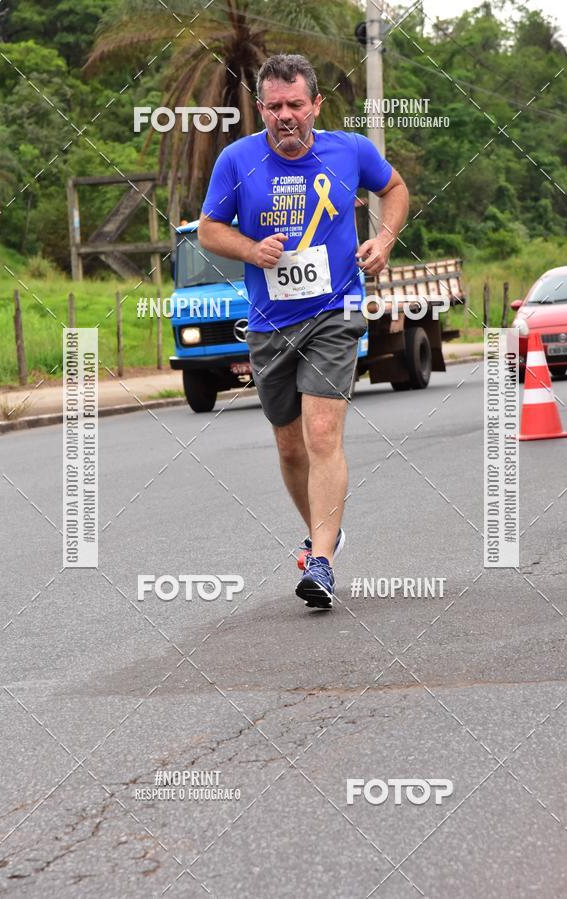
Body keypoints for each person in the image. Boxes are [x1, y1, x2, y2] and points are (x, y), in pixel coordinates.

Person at [198, 54, 409, 610]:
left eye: (296, 104)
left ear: (316, 104)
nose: (285, 116)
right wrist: (251, 249)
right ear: (260, 108)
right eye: (274, 107)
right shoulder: (236, 160)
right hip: (270, 322)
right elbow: (209, 230)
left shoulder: (351, 151)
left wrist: (383, 242)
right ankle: (324, 533)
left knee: (321, 436)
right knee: (290, 447)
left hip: (336, 312)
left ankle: (321, 561)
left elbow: (396, 190)